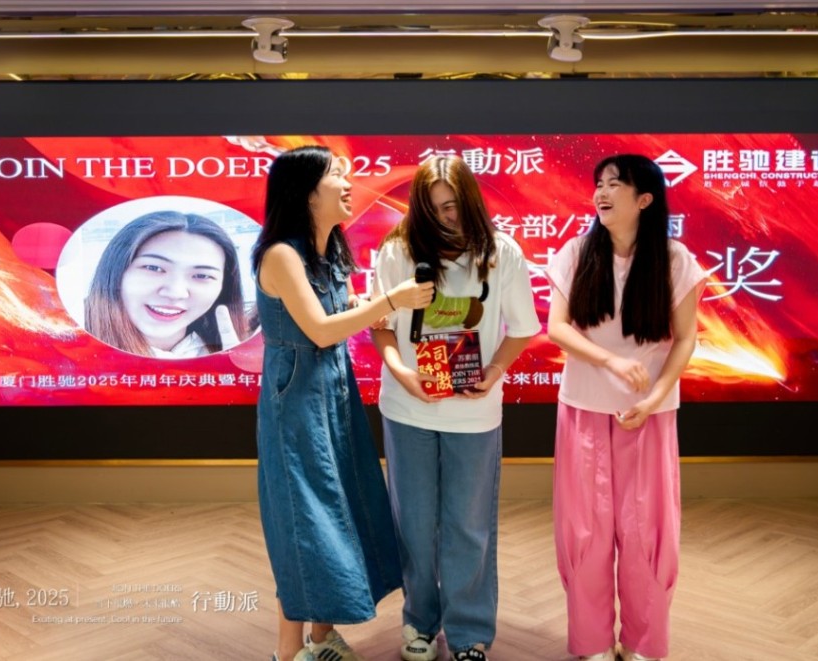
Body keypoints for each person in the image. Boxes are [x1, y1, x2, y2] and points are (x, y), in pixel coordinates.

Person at [252, 145, 435, 661]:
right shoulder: (281, 254)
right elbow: (319, 330)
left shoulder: (330, 250)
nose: (350, 183)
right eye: (337, 174)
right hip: (295, 402)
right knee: (303, 522)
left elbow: (339, 312)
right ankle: (287, 652)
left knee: (339, 509)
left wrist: (364, 305)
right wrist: (389, 302)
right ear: (307, 192)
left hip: (333, 393)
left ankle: (321, 636)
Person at [372, 155, 541, 661]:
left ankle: (469, 633)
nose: (444, 217)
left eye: (451, 206)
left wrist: (495, 372)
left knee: (469, 525)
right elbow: (380, 325)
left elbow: (523, 330)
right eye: (432, 208)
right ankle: (420, 623)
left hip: (474, 411)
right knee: (414, 524)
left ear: (470, 201)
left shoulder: (501, 253)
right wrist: (402, 372)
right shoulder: (398, 250)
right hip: (407, 408)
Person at [546, 154, 706, 661]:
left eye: (615, 183)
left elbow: (686, 338)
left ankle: (642, 643)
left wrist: (655, 396)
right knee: (585, 530)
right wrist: (611, 362)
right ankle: (592, 643)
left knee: (647, 532)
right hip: (583, 408)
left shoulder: (675, 260)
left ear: (645, 200)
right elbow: (557, 327)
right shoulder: (576, 253)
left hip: (649, 415)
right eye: (599, 183)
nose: (602, 192)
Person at [85, 210, 255, 358]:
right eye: (153, 268)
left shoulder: (244, 354)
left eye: (202, 275)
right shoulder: (76, 349)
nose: (175, 292)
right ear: (115, 272)